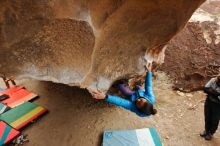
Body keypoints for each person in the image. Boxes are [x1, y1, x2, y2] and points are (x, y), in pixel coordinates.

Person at [91, 63, 157, 117]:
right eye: (141, 100)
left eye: (138, 103)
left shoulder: (134, 108)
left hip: (133, 96)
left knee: (123, 89)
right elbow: (148, 85)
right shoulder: (150, 97)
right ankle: (136, 86)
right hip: (141, 92)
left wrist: (106, 97)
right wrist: (149, 72)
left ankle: (120, 85)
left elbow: (121, 102)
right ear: (147, 100)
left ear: (137, 108)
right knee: (137, 87)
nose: (138, 100)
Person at [200, 75, 220, 140]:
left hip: (217, 105)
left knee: (214, 120)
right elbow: (205, 88)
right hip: (209, 101)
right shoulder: (213, 80)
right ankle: (206, 130)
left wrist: (211, 91)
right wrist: (216, 94)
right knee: (207, 116)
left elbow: (208, 90)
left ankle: (211, 133)